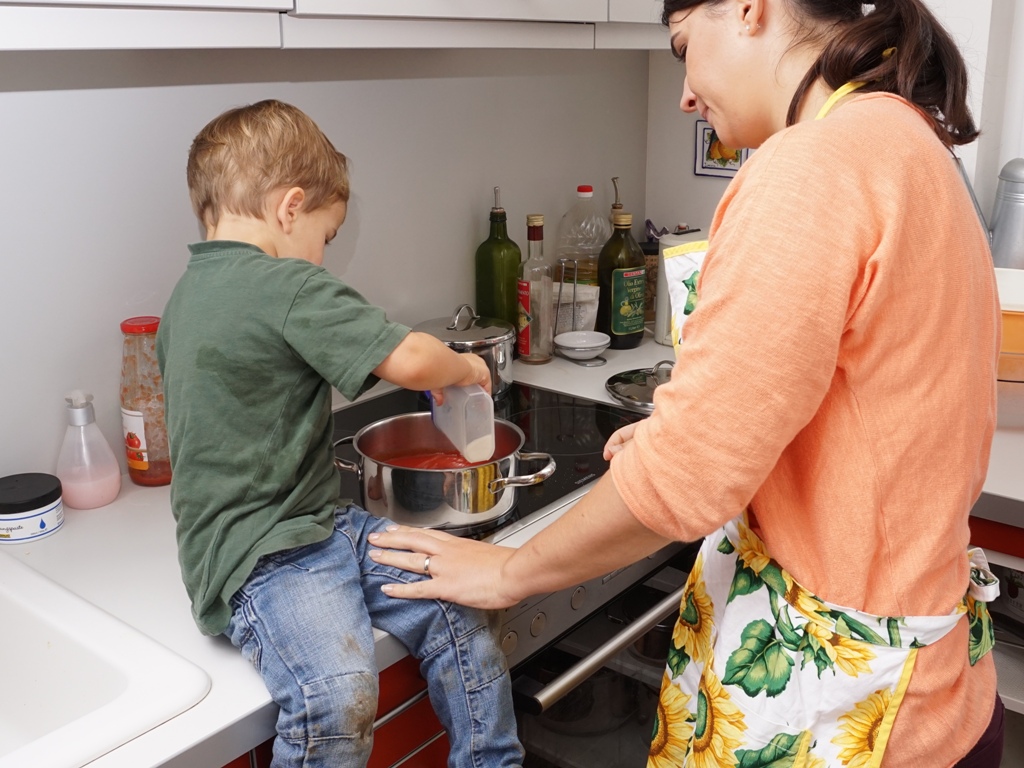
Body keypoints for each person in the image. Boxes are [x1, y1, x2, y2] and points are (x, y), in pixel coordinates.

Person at [368, 1, 1005, 765]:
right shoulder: (904, 137)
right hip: (937, 687)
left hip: (852, 714)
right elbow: (867, 415)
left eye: (680, 49)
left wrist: (510, 568)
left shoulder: (811, 168)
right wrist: (710, 435)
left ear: (748, 9)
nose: (684, 95)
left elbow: (684, 483)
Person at [156, 99, 523, 768]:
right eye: (327, 237)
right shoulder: (284, 284)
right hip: (264, 557)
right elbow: (413, 359)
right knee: (335, 693)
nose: (322, 258)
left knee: (454, 602)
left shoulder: (186, 294)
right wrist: (467, 367)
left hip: (317, 524)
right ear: (289, 208)